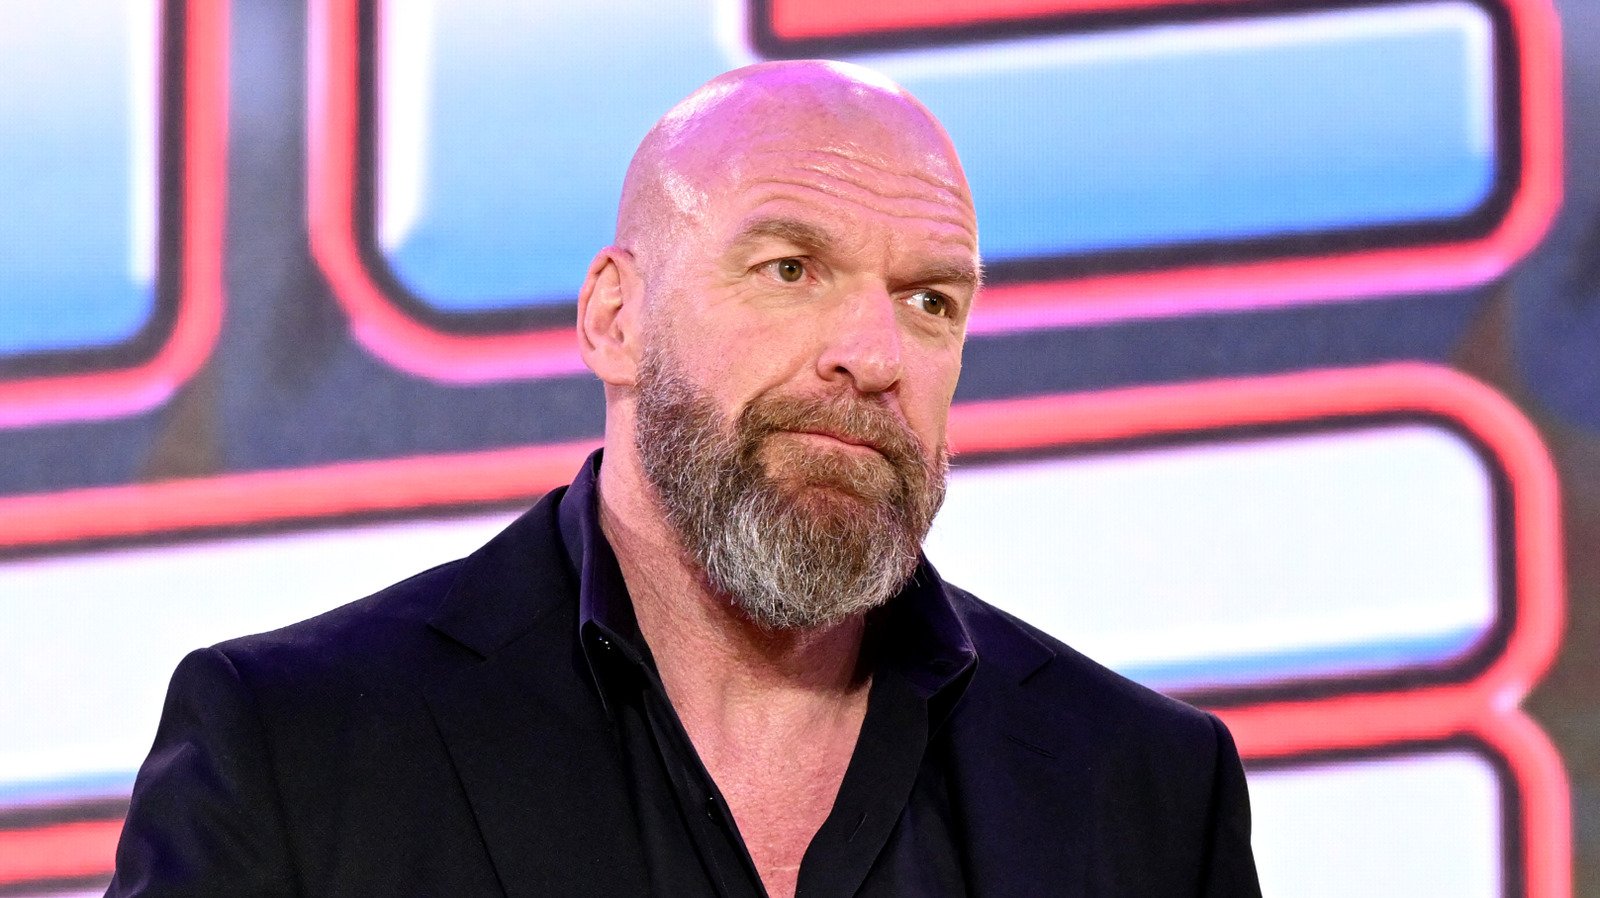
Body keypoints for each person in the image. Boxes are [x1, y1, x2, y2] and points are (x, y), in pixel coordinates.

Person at [107, 61, 1260, 897]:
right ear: (616, 317)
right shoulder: (298, 745)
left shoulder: (1143, 791)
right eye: (790, 267)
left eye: (929, 301)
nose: (873, 356)